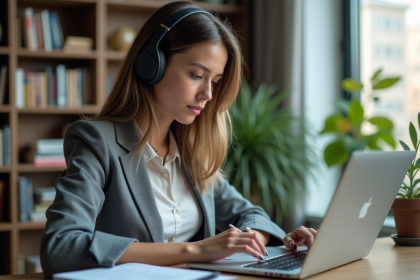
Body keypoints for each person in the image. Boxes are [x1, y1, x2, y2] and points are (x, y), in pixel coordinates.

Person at [40, 1, 317, 278]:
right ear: (152, 64)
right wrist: (194, 250)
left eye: (215, 81)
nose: (208, 93)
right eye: (197, 75)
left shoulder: (191, 150)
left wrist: (254, 239)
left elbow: (251, 215)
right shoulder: (97, 141)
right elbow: (61, 246)